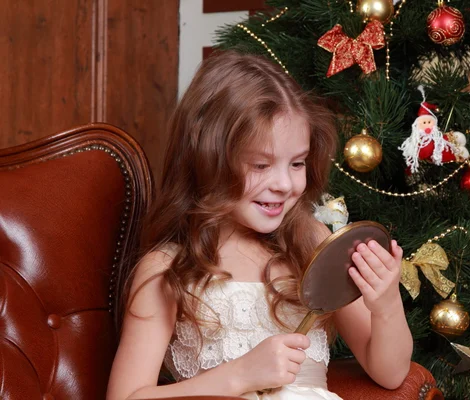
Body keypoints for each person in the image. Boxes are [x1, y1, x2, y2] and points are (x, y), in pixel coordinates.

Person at [106, 50, 413, 400]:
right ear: (209, 160)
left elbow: (390, 373)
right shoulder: (167, 269)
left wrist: (386, 304)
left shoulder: (311, 240)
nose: (284, 183)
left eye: (297, 163)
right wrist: (236, 377)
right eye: (261, 165)